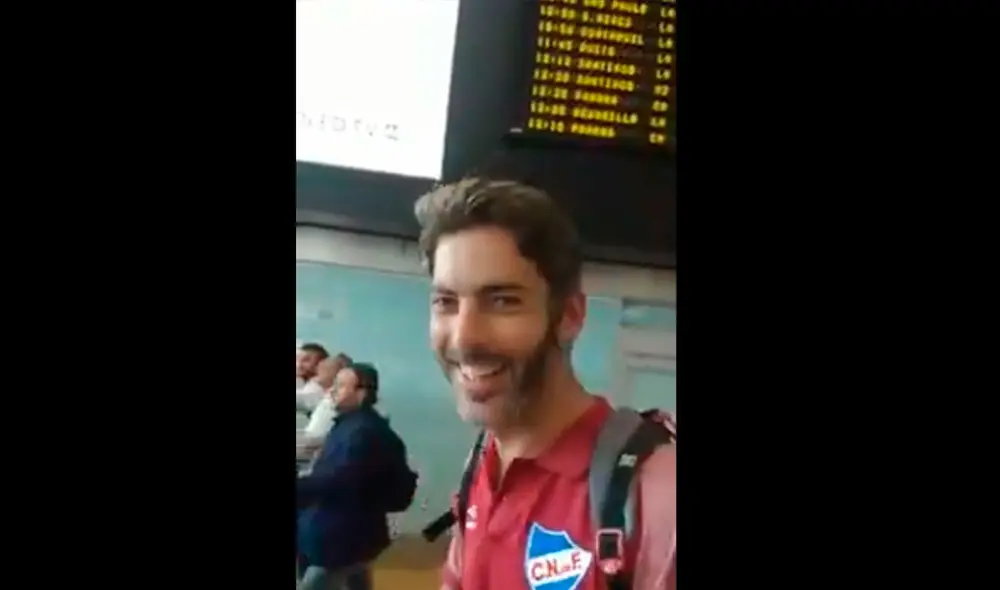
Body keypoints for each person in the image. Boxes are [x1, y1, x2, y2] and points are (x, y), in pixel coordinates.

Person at [413, 178, 676, 590]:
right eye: (446, 302)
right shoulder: (482, 462)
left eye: (502, 300)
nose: (464, 338)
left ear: (570, 316)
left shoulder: (657, 497)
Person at [296, 362, 417, 590]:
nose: (332, 390)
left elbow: (336, 482)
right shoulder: (351, 426)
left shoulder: (361, 433)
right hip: (350, 535)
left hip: (340, 539)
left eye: (340, 386)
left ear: (361, 392)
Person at [297, 353, 354, 462]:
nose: (318, 372)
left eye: (325, 369)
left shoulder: (331, 401)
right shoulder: (325, 395)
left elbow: (315, 439)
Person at [296, 343, 331, 415]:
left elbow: (303, 399)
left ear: (320, 364)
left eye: (306, 360)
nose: (299, 364)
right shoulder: (303, 381)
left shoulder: (318, 386)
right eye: (298, 359)